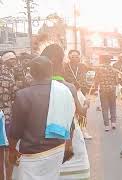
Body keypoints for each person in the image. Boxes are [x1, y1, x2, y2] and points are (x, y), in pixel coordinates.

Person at [9, 56, 76, 180]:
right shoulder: (64, 91)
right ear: (51, 71)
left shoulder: (23, 95)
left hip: (31, 154)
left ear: (31, 73)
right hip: (56, 150)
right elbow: (70, 121)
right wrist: (69, 145)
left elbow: (15, 130)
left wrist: (12, 150)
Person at [41, 44, 91, 179]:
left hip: (44, 136)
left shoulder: (35, 86)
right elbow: (81, 113)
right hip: (70, 137)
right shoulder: (69, 86)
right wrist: (86, 104)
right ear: (59, 61)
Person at [64, 50, 92, 140]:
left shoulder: (83, 66)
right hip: (69, 92)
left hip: (80, 91)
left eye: (77, 56)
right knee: (71, 111)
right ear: (69, 57)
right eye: (72, 56)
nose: (75, 58)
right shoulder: (65, 66)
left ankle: (84, 130)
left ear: (79, 57)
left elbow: (90, 71)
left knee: (83, 111)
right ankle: (73, 131)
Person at [0, 51, 18, 180]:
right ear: (7, 61)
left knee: (1, 151)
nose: (15, 61)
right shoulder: (8, 75)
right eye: (12, 59)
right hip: (6, 117)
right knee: (9, 149)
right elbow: (15, 95)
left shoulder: (10, 72)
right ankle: (9, 178)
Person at [95, 54, 117, 131]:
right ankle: (113, 123)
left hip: (103, 90)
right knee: (113, 106)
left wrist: (95, 88)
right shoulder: (114, 69)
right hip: (112, 90)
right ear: (109, 61)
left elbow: (96, 80)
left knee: (104, 108)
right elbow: (116, 81)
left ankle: (106, 125)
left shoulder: (98, 69)